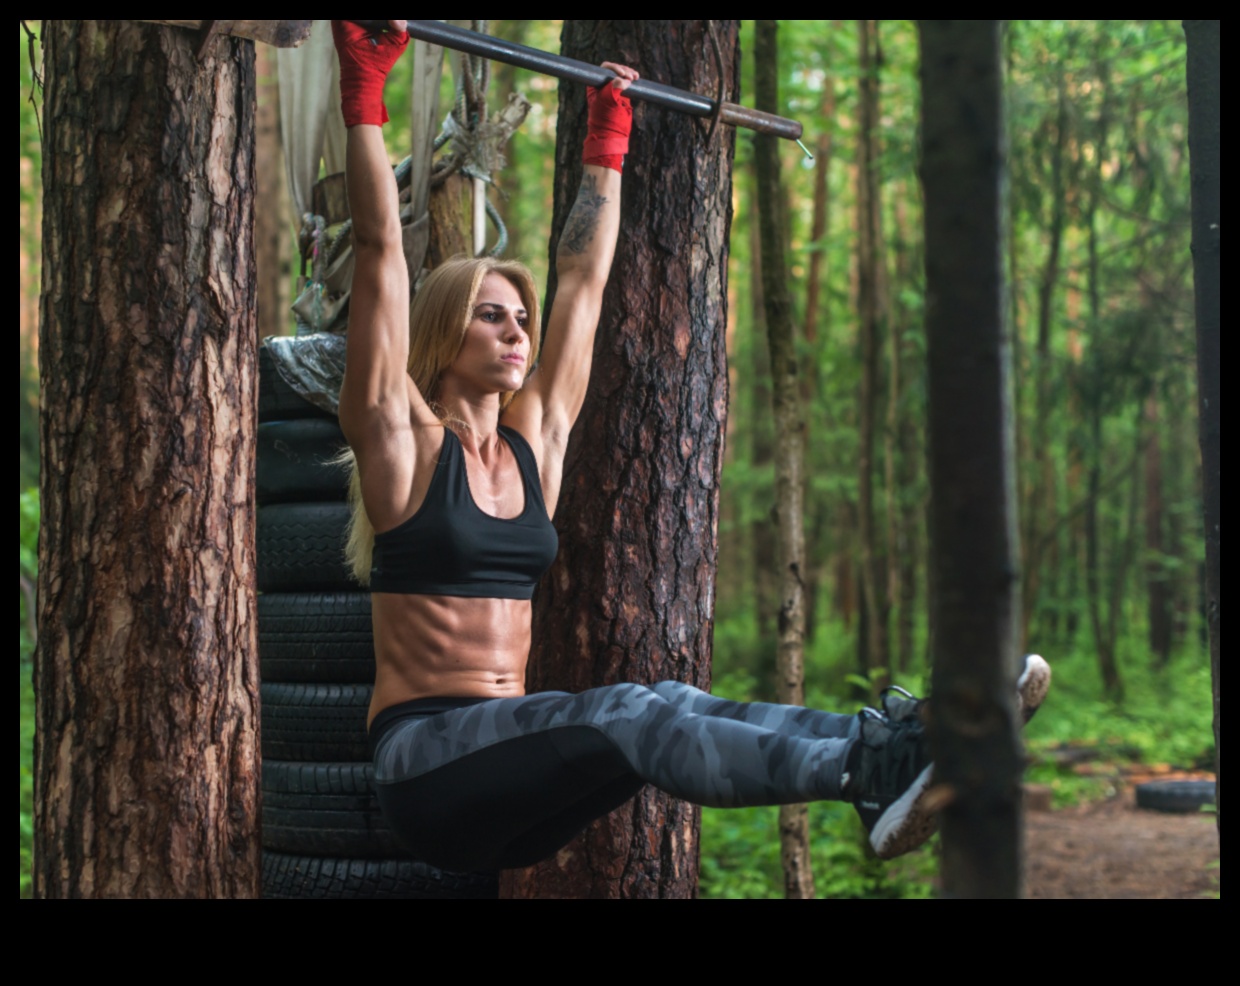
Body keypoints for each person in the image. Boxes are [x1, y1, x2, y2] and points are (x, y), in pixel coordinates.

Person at [332, 21, 1051, 875]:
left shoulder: (533, 448)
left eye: (521, 316)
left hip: (508, 780)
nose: (519, 331)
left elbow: (584, 284)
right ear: (444, 333)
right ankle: (864, 774)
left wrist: (608, 142)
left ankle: (902, 744)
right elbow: (380, 253)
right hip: (427, 767)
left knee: (665, 699)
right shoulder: (403, 446)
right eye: (492, 316)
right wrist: (365, 95)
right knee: (629, 709)